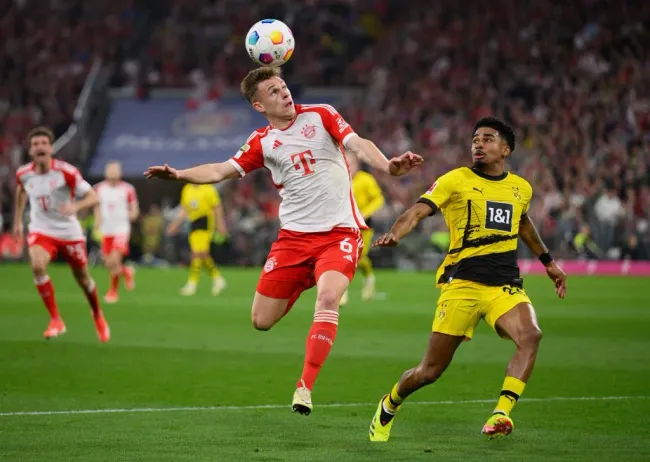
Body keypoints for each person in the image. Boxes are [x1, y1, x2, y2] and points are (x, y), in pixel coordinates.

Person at [145, 66, 423, 414]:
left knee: (328, 299)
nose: (284, 93)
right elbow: (220, 171)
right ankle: (306, 277)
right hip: (293, 240)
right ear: (259, 106)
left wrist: (388, 165)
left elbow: (358, 144)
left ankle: (304, 387)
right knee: (261, 320)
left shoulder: (322, 115)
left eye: (283, 86)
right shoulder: (262, 142)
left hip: (339, 234)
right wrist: (179, 174)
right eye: (273, 92)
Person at [368, 117, 567, 441]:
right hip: (462, 284)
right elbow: (417, 210)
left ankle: (501, 413)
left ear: (505, 149)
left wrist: (549, 263)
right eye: (475, 139)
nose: (478, 143)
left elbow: (524, 223)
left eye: (487, 139)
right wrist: (395, 234)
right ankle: (390, 403)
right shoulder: (455, 180)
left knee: (530, 335)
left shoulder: (520, 188)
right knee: (429, 372)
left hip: (505, 285)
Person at [12, 127, 110, 342]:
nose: (40, 147)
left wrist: (76, 207)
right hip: (41, 229)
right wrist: (18, 220)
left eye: (44, 143)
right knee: (37, 266)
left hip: (69, 232)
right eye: (35, 144)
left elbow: (94, 197)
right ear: (30, 151)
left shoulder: (66, 172)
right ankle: (56, 319)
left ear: (51, 148)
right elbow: (20, 190)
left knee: (83, 280)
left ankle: (97, 313)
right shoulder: (24, 174)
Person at [166, 183, 228, 296]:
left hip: (205, 222)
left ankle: (192, 284)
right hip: (194, 223)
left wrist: (220, 224)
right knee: (202, 255)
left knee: (197, 253)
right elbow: (184, 209)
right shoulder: (187, 189)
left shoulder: (208, 189)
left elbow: (217, 207)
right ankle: (218, 278)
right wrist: (175, 224)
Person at [340, 150, 385, 304]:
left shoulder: (366, 180)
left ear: (357, 165)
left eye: (351, 163)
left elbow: (378, 199)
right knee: (343, 256)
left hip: (364, 225)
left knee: (359, 256)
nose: (349, 166)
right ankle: (341, 290)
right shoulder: (340, 179)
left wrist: (365, 213)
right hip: (344, 223)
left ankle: (368, 278)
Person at [94, 161, 139, 303]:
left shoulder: (128, 189)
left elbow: (134, 207)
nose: (113, 173)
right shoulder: (98, 188)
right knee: (108, 263)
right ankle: (127, 271)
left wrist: (133, 214)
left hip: (121, 229)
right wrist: (97, 222)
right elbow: (96, 206)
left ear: (120, 172)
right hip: (106, 230)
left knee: (115, 260)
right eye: (110, 170)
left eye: (116, 170)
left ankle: (113, 292)